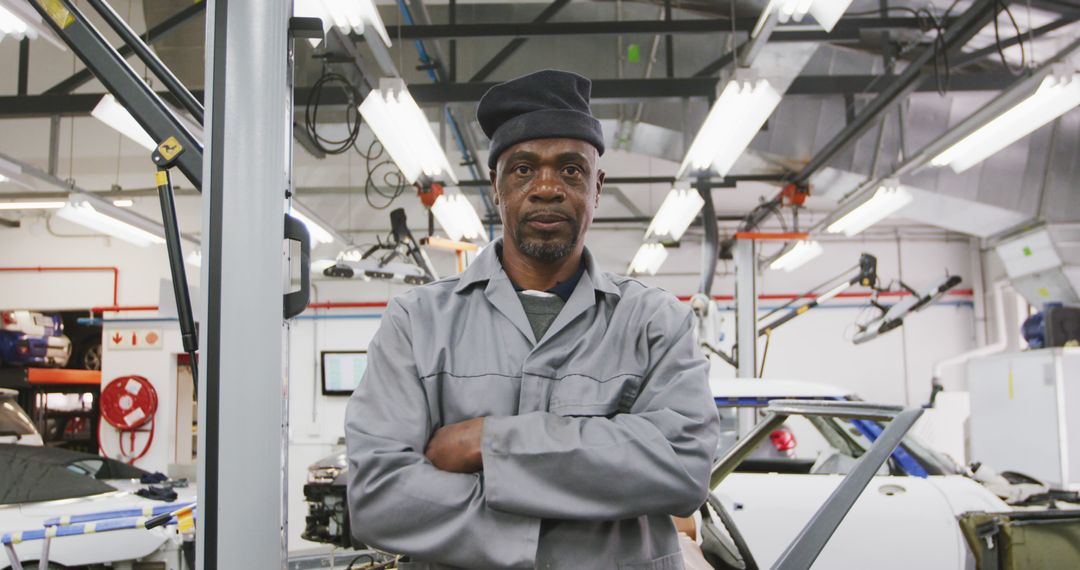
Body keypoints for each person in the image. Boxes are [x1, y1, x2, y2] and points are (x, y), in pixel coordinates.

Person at [345, 69, 721, 570]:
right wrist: (577, 528)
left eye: (570, 169)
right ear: (496, 187)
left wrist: (486, 441)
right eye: (523, 169)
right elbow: (378, 496)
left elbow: (681, 467)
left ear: (597, 186)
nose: (547, 187)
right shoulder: (418, 322)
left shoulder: (654, 323)